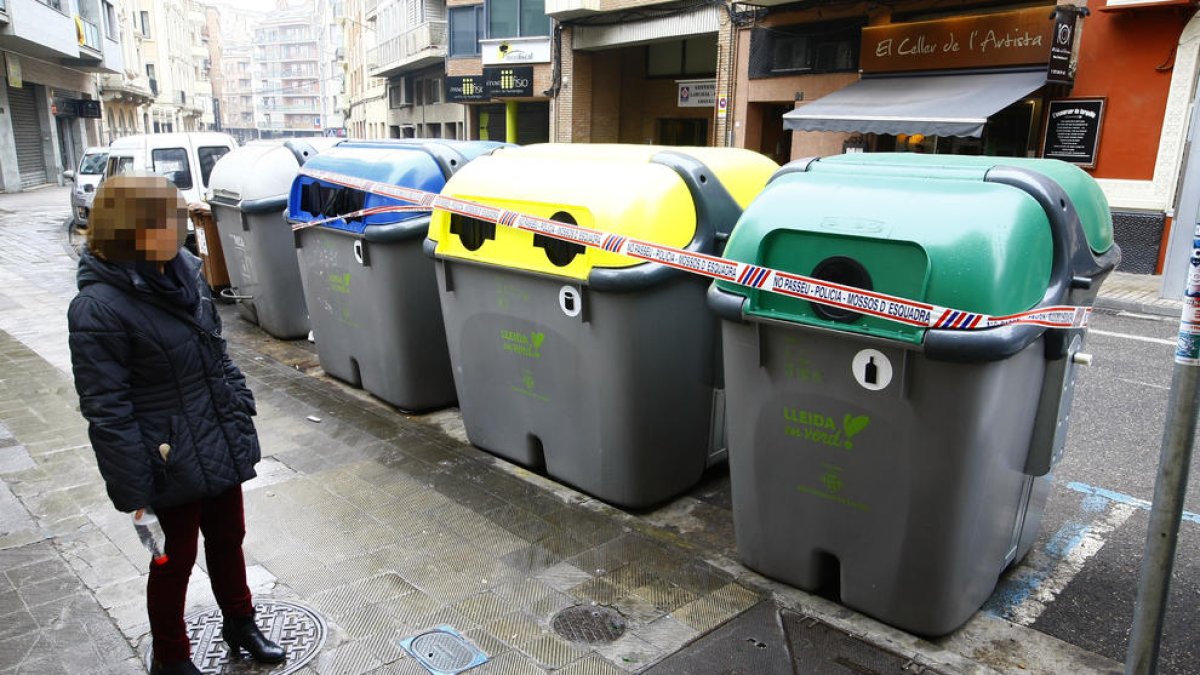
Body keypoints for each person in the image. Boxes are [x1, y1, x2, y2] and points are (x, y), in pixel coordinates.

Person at [67, 175, 284, 675]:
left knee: (229, 539)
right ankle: (170, 656)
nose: (181, 227)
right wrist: (133, 485)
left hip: (216, 434)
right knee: (173, 562)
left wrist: (238, 399)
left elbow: (217, 351)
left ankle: (240, 622)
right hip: (164, 457)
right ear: (130, 229)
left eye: (179, 216)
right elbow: (106, 408)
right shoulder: (98, 307)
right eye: (166, 219)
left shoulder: (185, 270)